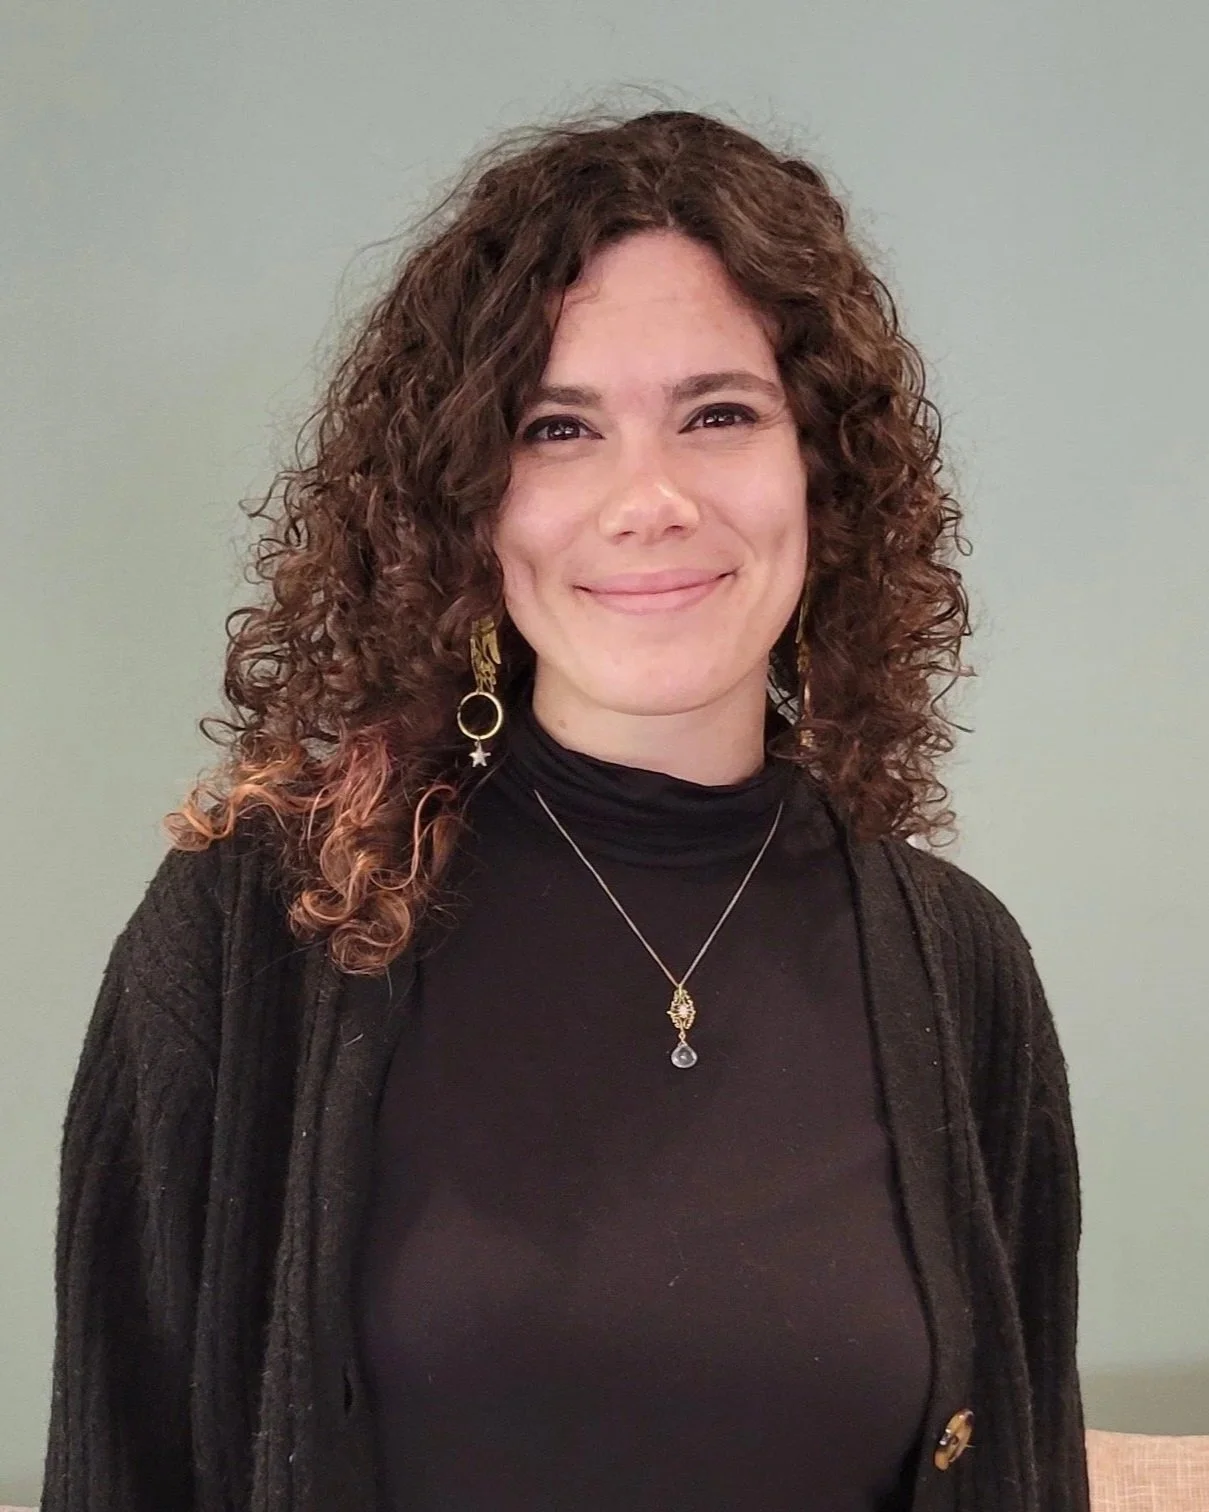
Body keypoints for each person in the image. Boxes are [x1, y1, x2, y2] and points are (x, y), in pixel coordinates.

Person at [40, 108, 1090, 1512]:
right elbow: (123, 1458)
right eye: (559, 428)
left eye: (719, 413)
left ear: (820, 474)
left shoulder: (964, 978)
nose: (647, 498)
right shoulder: (254, 928)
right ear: (469, 500)